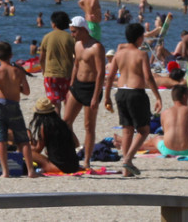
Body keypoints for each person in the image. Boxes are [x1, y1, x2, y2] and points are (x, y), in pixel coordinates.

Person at [104, 23, 162, 177]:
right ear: (139, 38)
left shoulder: (119, 54)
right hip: (136, 93)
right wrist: (158, 96)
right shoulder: (141, 54)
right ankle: (128, 159)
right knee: (144, 130)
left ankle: (125, 171)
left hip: (121, 92)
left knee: (127, 129)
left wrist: (107, 96)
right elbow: (148, 77)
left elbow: (110, 77)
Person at [0, 42, 38, 178]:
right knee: (23, 139)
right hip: (14, 105)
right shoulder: (18, 71)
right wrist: (16, 88)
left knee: (0, 139)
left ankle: (5, 172)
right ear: (11, 55)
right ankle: (31, 170)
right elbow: (26, 91)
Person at [63, 16, 106, 170]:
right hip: (78, 87)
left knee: (89, 126)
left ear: (82, 30)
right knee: (65, 122)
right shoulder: (77, 45)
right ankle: (70, 153)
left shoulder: (96, 47)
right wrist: (71, 86)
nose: (72, 35)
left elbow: (101, 73)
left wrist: (96, 96)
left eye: (74, 32)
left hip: (91, 88)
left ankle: (87, 160)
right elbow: (76, 65)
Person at [28, 97, 81, 174]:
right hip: (74, 166)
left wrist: (28, 144)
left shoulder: (45, 127)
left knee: (26, 152)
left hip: (59, 167)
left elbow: (38, 150)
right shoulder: (63, 124)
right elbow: (76, 144)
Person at [39, 11, 75, 114]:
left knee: (55, 104)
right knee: (67, 102)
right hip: (67, 75)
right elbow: (77, 57)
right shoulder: (71, 38)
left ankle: (57, 126)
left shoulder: (47, 37)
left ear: (53, 23)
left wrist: (43, 70)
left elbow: (41, 58)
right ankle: (68, 124)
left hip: (51, 75)